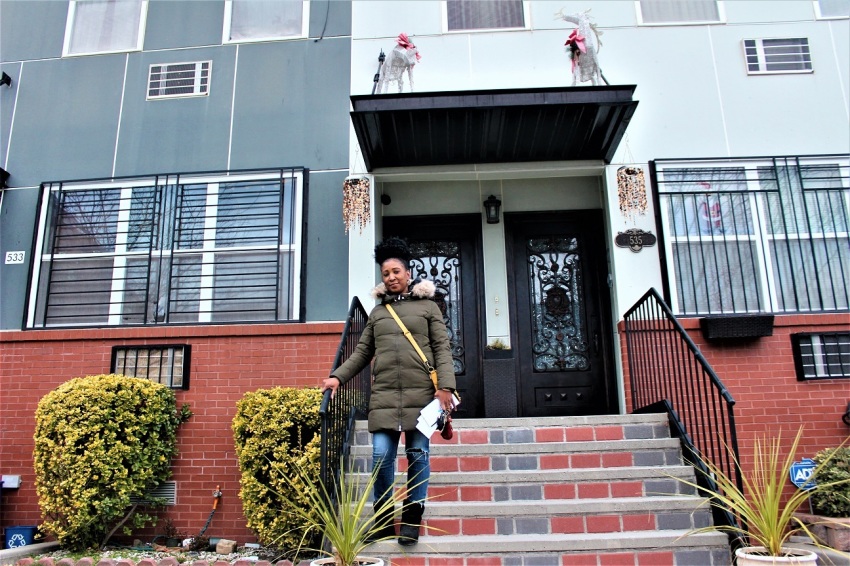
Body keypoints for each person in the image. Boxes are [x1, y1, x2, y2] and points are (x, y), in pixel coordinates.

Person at [321, 237, 457, 547]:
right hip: (384, 396)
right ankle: (383, 518)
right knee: (381, 457)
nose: (391, 277)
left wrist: (446, 387)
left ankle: (411, 519)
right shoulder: (378, 313)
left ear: (408, 273)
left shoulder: (428, 307)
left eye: (396, 271)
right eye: (386, 273)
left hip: (422, 395)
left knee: (418, 455)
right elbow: (361, 352)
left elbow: (442, 348)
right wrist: (338, 378)